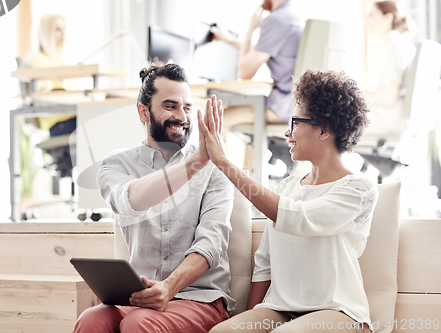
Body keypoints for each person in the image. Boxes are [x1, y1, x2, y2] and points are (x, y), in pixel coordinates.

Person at [199, 69, 379, 333]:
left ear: (324, 130)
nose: (287, 132)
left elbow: (299, 218)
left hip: (338, 310)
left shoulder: (358, 190)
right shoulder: (288, 186)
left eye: (295, 122)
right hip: (280, 308)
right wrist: (251, 320)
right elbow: (265, 263)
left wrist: (225, 163)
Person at [73, 63, 235, 333]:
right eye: (170, 106)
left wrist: (169, 288)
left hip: (200, 297)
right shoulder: (116, 164)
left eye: (186, 107)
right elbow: (127, 201)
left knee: (139, 322)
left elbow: (211, 243)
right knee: (91, 319)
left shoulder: (214, 166)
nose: (182, 116)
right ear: (143, 111)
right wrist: (195, 162)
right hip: (141, 297)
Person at [212, 0, 304, 171]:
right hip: (296, 106)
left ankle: (223, 186)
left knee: (217, 119)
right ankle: (248, 187)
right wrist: (228, 40)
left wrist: (251, 29)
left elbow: (244, 72)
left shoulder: (276, 20)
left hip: (282, 108)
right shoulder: (293, 18)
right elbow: (259, 51)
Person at [362, 1, 416, 140]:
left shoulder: (392, 46)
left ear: (388, 17)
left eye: (372, 15)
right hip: (399, 117)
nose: (368, 20)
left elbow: (390, 96)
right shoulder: (402, 42)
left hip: (390, 119)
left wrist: (361, 97)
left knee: (334, 118)